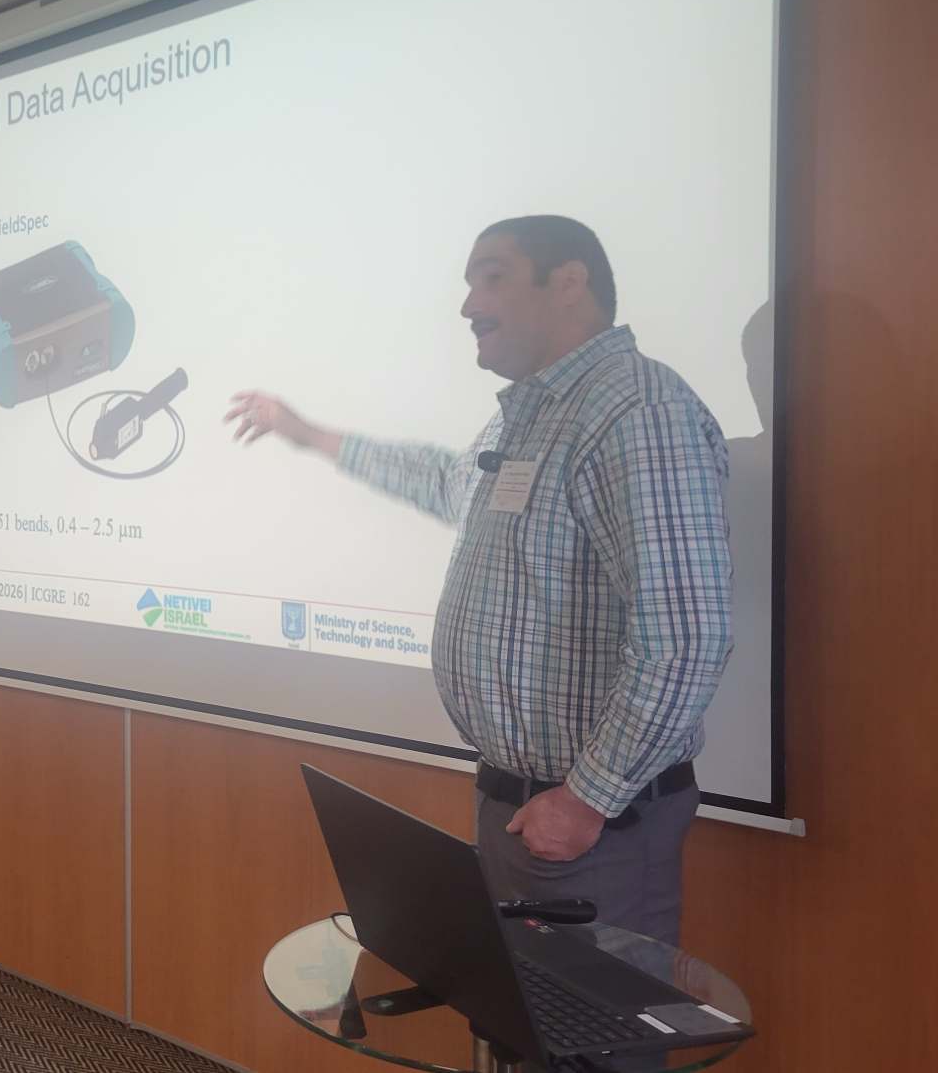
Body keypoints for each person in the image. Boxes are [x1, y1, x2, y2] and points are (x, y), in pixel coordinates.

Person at [227, 216, 732, 945]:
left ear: (568, 283)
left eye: (492, 277)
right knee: (520, 1011)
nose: (468, 305)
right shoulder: (530, 418)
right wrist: (308, 434)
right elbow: (447, 483)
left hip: (594, 829)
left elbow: (687, 638)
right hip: (525, 809)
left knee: (590, 1019)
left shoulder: (636, 411)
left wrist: (587, 800)